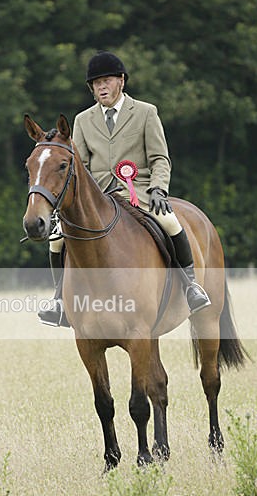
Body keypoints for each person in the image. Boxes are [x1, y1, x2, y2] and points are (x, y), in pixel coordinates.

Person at [39, 50, 211, 326]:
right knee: (57, 238)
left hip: (139, 194)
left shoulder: (145, 112)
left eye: (106, 80)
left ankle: (191, 286)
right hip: (99, 198)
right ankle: (59, 299)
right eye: (96, 83)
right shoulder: (82, 120)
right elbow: (78, 166)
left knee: (171, 222)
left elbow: (159, 159)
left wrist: (158, 189)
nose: (101, 87)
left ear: (121, 81)